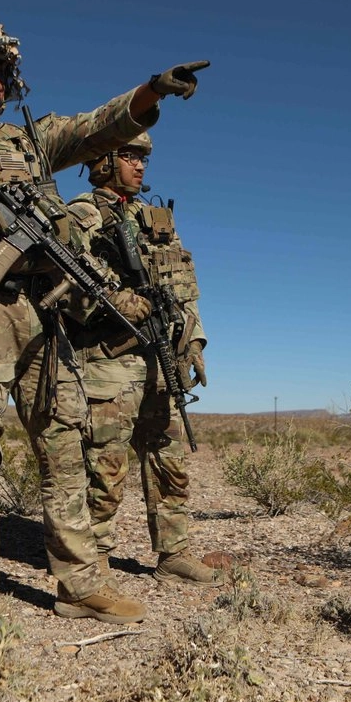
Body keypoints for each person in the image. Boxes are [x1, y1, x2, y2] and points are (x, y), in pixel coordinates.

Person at [0, 23, 208, 629]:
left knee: (66, 446)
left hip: (45, 313)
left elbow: (97, 127)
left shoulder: (31, 142)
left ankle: (80, 584)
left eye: (2, 75)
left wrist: (151, 91)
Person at [67, 134, 222, 586]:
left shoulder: (156, 220)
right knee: (106, 465)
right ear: (103, 161)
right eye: (130, 156)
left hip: (161, 357)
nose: (140, 166)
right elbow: (64, 284)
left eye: (144, 159)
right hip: (108, 361)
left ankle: (173, 553)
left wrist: (194, 341)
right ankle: (94, 558)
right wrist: (116, 303)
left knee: (169, 461)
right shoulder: (81, 215)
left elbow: (183, 287)